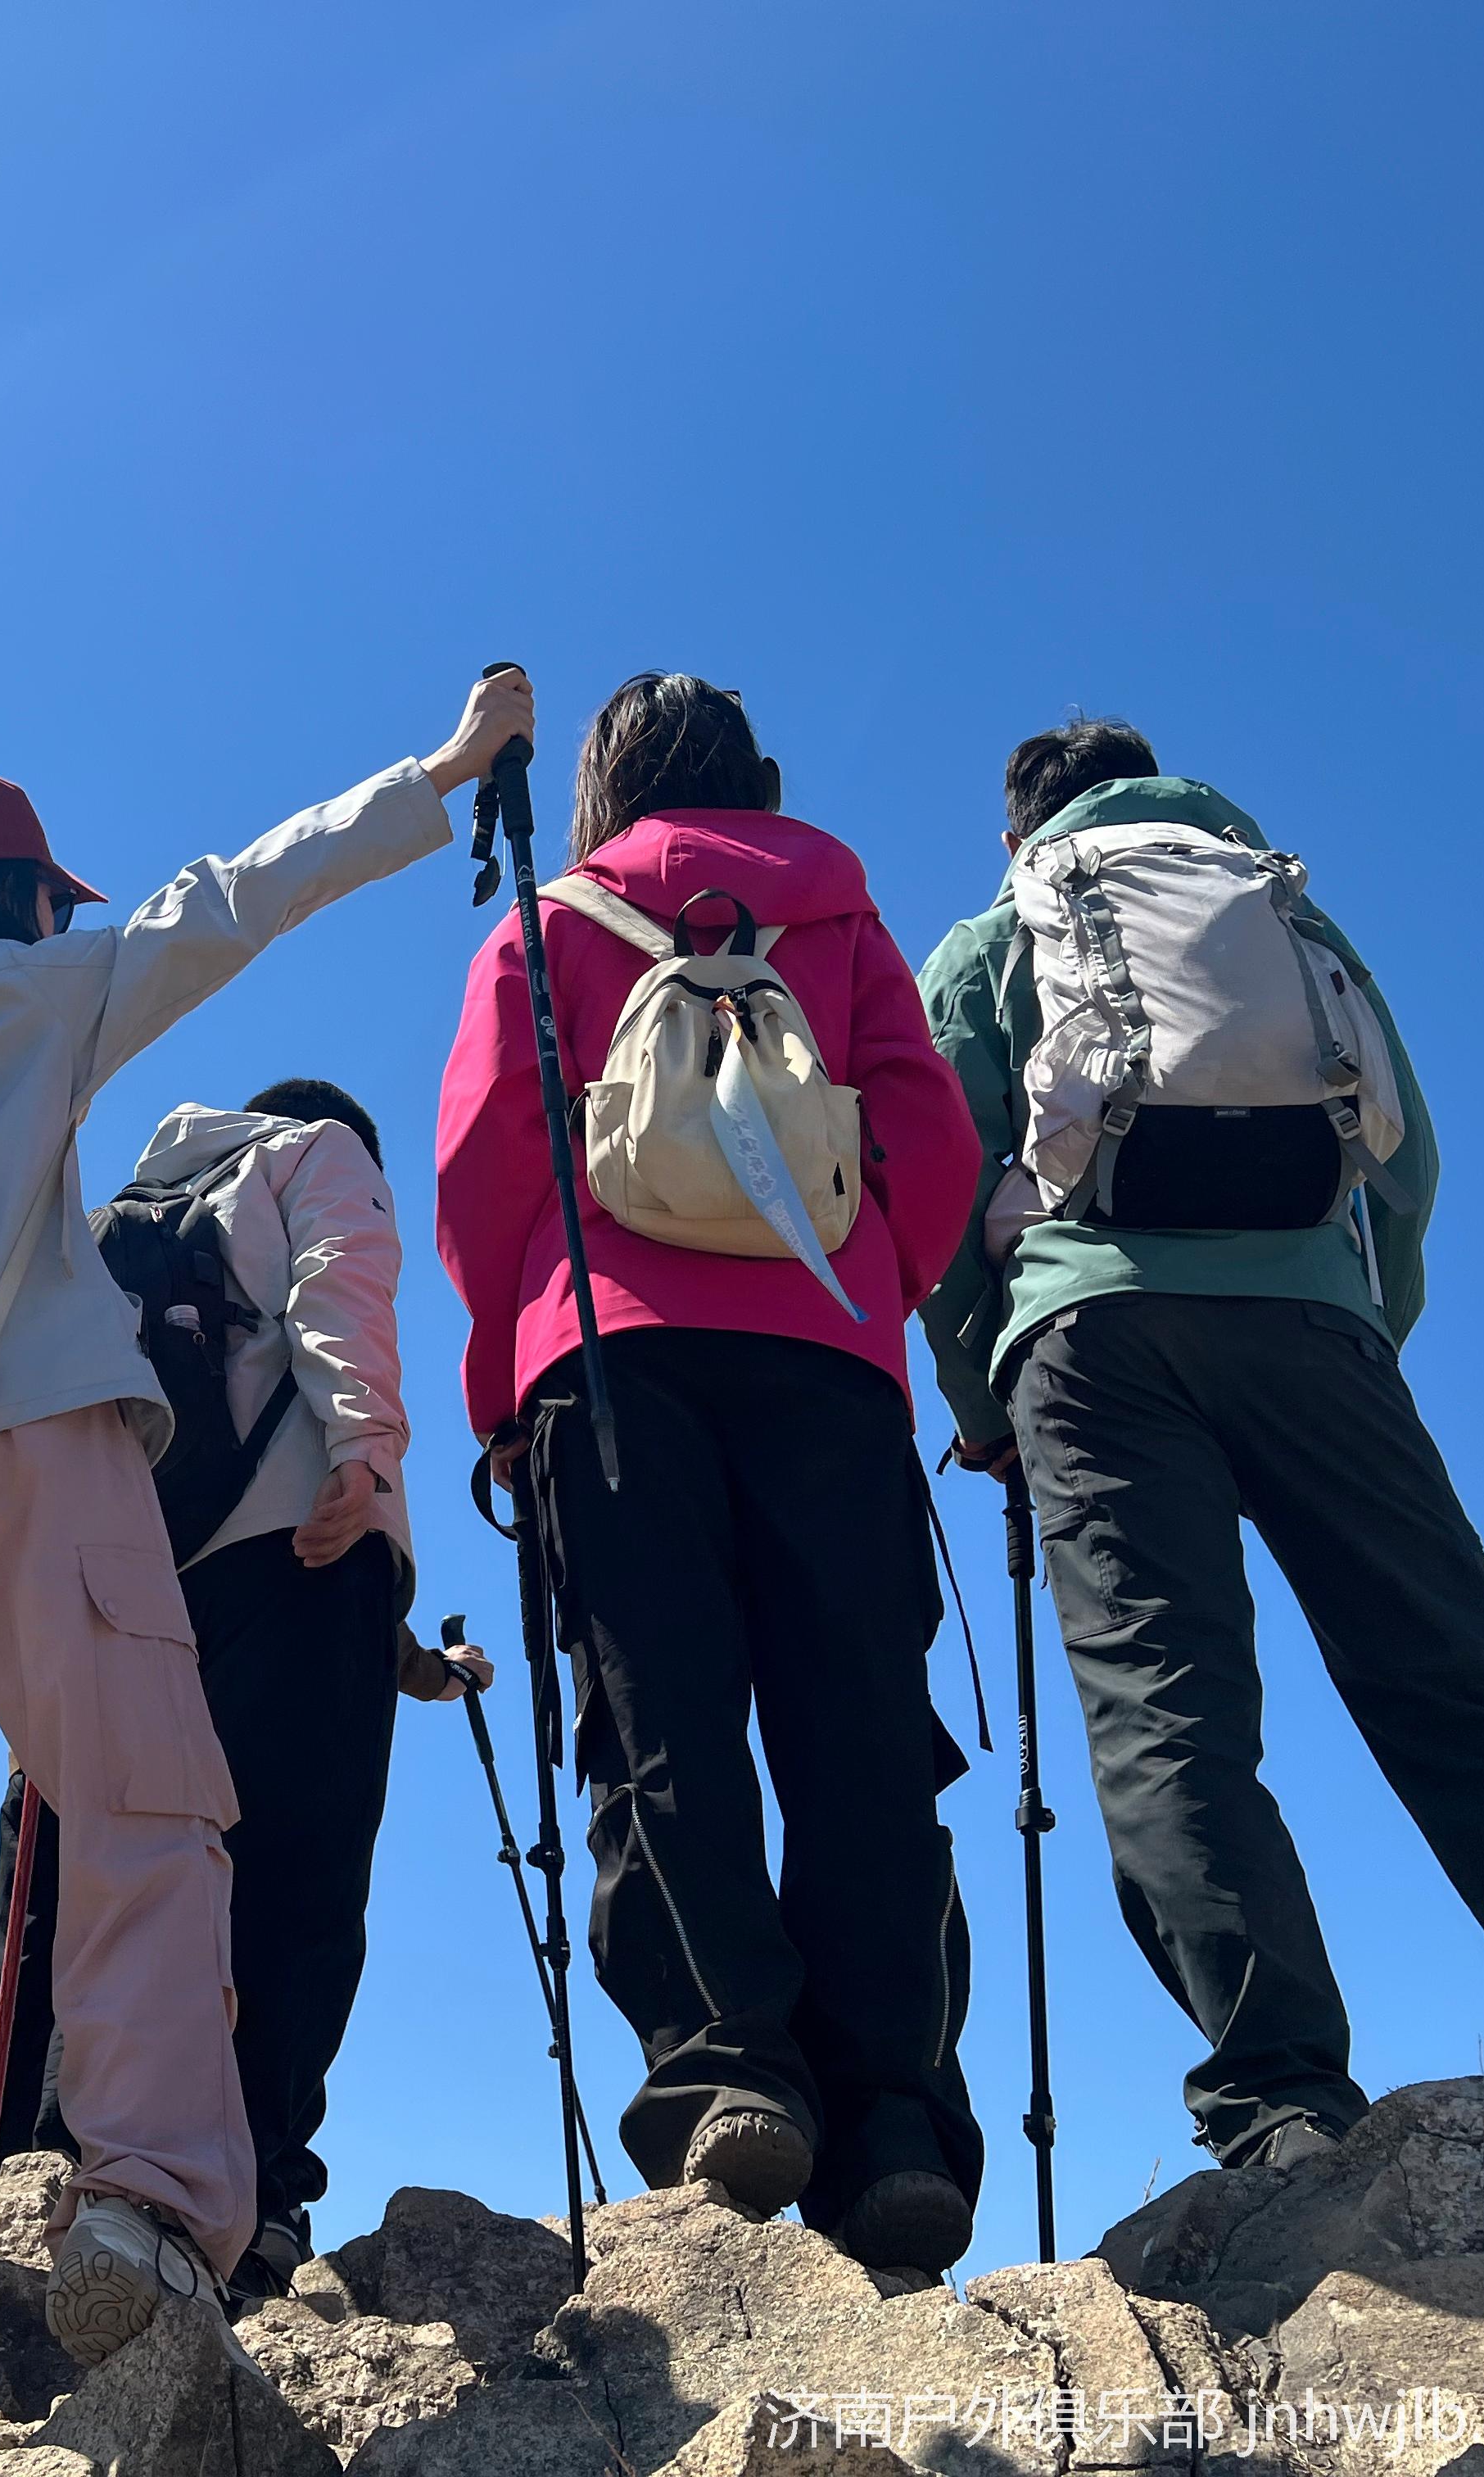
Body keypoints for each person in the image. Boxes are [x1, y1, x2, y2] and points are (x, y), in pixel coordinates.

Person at [0, 666, 536, 2398]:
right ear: (18, 893)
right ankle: (143, 2204)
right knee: (144, 1808)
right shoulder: (34, 994)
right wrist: (443, 768)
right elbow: (242, 893)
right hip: (22, 1445)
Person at [916, 718, 1484, 2212]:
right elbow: (1405, 1156)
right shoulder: (1283, 908)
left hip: (1095, 1337)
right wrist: (1359, 1319)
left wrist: (983, 1387)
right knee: (1463, 1696)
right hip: (1319, 1330)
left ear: (1017, 835)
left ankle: (1283, 2107)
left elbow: (942, 1185)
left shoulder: (998, 934)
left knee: (1170, 1716)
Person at [433, 672, 986, 2275]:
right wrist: (866, 1287)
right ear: (763, 777)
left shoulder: (552, 921)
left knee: (657, 1713)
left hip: (608, 1353)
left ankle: (727, 2071)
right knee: (861, 1728)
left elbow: (488, 1166)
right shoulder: (844, 919)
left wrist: (502, 1385)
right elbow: (930, 1139)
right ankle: (893, 2125)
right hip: (828, 1354)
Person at [0, 1077, 495, 2300]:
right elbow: (344, 1281)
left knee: (86, 1879)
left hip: (119, 1577)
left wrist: (417, 1669)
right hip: (299, 1554)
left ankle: (29, 2176)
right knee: (289, 1880)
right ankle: (246, 2194)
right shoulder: (319, 1154)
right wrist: (364, 1447)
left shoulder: (136, 1206)